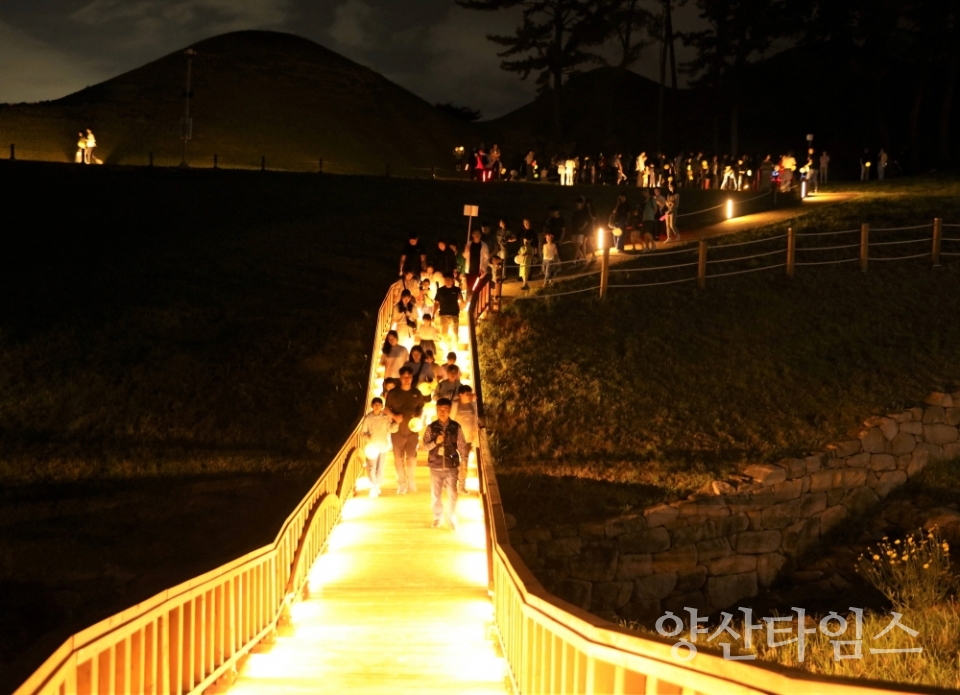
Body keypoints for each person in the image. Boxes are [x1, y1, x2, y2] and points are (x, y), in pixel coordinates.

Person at [422, 397, 470, 528]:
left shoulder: (456, 427)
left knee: (452, 493)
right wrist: (435, 442)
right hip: (435, 465)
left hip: (451, 465)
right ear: (436, 410)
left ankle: (451, 516)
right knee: (435, 494)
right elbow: (424, 446)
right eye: (439, 410)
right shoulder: (431, 428)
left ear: (449, 411)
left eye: (445, 410)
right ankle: (438, 517)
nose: (442, 412)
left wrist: (464, 463)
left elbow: (461, 445)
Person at [385, 366, 426, 494]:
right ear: (400, 378)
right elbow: (386, 409)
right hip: (397, 430)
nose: (406, 379)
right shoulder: (393, 393)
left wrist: (418, 417)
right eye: (404, 377)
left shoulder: (417, 393)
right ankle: (401, 484)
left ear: (411, 378)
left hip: (412, 431)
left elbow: (421, 408)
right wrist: (394, 416)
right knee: (398, 458)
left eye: (408, 377)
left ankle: (411, 481)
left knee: (412, 457)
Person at [450, 385, 479, 495]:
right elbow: (451, 420)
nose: (469, 396)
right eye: (467, 394)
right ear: (460, 395)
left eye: (470, 394)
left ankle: (461, 485)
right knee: (454, 463)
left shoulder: (472, 405)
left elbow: (476, 419)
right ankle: (452, 484)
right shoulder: (455, 405)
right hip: (456, 439)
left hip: (468, 440)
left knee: (464, 463)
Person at [361, 397, 392, 497]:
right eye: (375, 405)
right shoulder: (368, 418)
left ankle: (377, 484)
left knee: (380, 467)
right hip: (372, 447)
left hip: (383, 445)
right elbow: (363, 432)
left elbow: (390, 428)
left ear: (382, 406)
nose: (377, 406)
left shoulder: (385, 417)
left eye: (379, 405)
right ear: (371, 406)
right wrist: (367, 437)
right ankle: (373, 486)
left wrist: (396, 424)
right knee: (371, 467)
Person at [434, 274, 464, 343]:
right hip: (444, 314)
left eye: (449, 279)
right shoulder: (440, 290)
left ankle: (454, 347)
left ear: (452, 280)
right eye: (446, 280)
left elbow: (461, 301)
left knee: (455, 333)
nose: (447, 281)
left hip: (454, 314)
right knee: (444, 334)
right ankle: (446, 347)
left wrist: (462, 303)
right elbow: (436, 303)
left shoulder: (457, 290)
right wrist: (434, 313)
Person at [463, 229, 490, 294]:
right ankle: (469, 300)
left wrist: (483, 268)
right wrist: (466, 251)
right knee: (469, 287)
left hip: (479, 269)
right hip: (469, 269)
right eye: (475, 233)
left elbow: (486, 258)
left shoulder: (484, 245)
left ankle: (476, 301)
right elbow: (465, 256)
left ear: (480, 235)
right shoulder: (469, 244)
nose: (477, 234)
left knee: (477, 287)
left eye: (478, 233)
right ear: (472, 235)